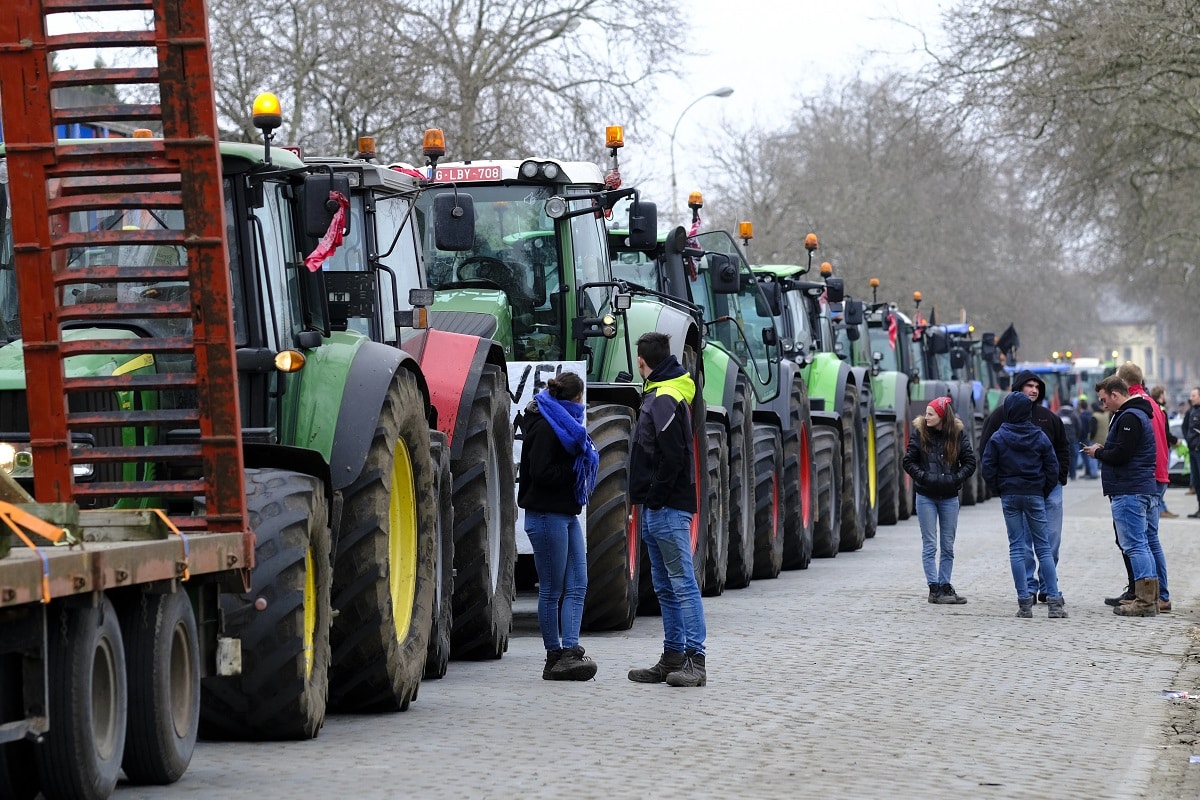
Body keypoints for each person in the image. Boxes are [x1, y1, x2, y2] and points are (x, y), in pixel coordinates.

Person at [626, 332, 707, 688]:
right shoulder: (659, 393)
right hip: (656, 507)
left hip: (668, 507)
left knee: (682, 584)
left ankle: (695, 660)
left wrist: (655, 496)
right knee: (665, 586)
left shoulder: (664, 397)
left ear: (642, 362)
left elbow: (673, 456)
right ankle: (673, 656)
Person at [517, 371, 600, 681]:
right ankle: (554, 656)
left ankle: (571, 649)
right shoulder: (545, 426)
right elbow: (541, 473)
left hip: (566, 513)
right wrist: (575, 465)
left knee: (578, 582)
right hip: (545, 514)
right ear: (577, 399)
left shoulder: (566, 426)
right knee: (552, 589)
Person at [979, 369, 1069, 603]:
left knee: (1051, 540)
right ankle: (1029, 587)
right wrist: (999, 487)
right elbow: (986, 453)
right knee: (1024, 544)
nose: (1034, 390)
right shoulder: (999, 417)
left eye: (1037, 386)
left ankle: (1048, 587)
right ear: (1018, 389)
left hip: (1047, 489)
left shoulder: (1048, 418)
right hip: (1018, 490)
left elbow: (1059, 450)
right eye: (1029, 385)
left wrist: (1057, 479)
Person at [1082, 376, 1162, 616]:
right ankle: (1148, 598)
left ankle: (1145, 603)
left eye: (1105, 399)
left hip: (1130, 490)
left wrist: (1098, 452)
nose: (1103, 405)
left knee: (1136, 545)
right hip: (1140, 488)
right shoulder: (1137, 414)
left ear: (1115, 395)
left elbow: (1121, 455)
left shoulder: (1129, 417)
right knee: (1143, 545)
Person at [1107, 364, 1171, 609]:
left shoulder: (1135, 408)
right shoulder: (1154, 405)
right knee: (1149, 539)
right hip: (1158, 474)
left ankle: (1145, 595)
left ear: (1121, 384)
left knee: (1138, 541)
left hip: (1143, 478)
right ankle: (1158, 594)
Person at [902, 396, 977, 604]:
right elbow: (908, 461)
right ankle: (933, 589)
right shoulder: (920, 433)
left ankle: (945, 586)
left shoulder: (957, 434)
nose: (926, 417)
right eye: (926, 413)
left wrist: (955, 479)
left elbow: (970, 462)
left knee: (948, 546)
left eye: (930, 413)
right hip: (926, 496)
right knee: (930, 545)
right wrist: (925, 477)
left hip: (950, 498)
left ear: (942, 416)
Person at [1184, 387, 1200, 516]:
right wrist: (1190, 443)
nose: (1191, 398)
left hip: (1198, 450)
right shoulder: (1191, 411)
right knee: (1196, 481)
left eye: (1194, 395)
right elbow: (1185, 428)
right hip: (1193, 450)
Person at [1058, 400, 1081, 480]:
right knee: (1073, 456)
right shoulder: (1074, 414)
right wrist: (1076, 436)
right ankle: (1073, 474)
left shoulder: (1058, 414)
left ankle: (1063, 473)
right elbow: (1079, 426)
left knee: (1061, 456)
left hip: (1060, 439)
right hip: (1072, 438)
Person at [1078, 398, 1099, 479]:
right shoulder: (1090, 414)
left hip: (1083, 437)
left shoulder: (1082, 416)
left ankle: (1089, 471)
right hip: (1088, 437)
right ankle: (1089, 471)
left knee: (1085, 456)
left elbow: (1081, 428)